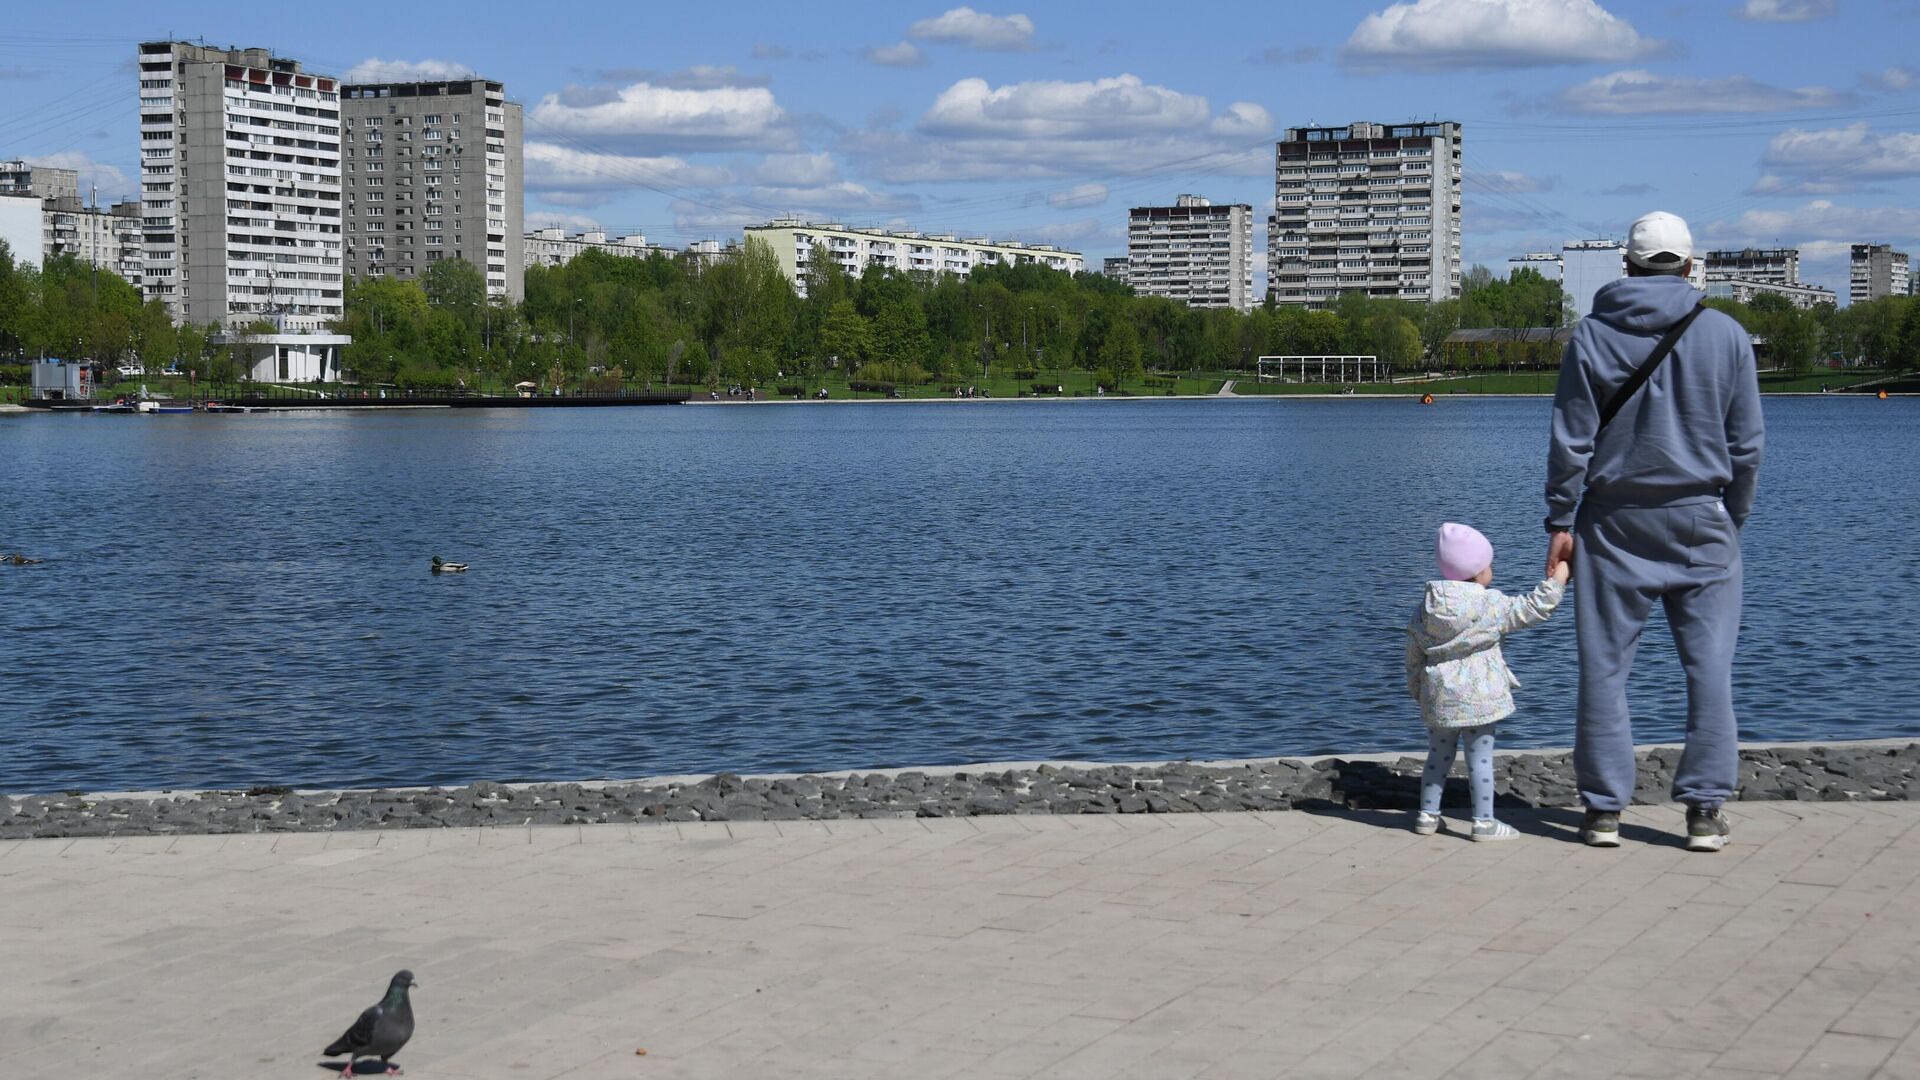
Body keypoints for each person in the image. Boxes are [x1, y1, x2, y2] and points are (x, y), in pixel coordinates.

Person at [1546, 211, 1764, 852]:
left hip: (1612, 522)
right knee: (1710, 670)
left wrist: (1560, 519)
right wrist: (1735, 517)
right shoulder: (1726, 335)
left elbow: (1570, 442)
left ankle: (1604, 812)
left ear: (1628, 267)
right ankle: (1702, 812)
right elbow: (1747, 447)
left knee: (1605, 669)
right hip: (1703, 518)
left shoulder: (1590, 336)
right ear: (1691, 267)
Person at [1406, 523, 1568, 841]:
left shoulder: (1427, 609)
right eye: (1488, 565)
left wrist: (1419, 692)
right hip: (1480, 699)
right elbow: (1533, 608)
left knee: (1438, 755)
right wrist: (1559, 578)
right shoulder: (1490, 605)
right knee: (1479, 759)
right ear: (1479, 572)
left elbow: (1413, 654)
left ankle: (1427, 815)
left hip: (1440, 696)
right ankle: (1483, 823)